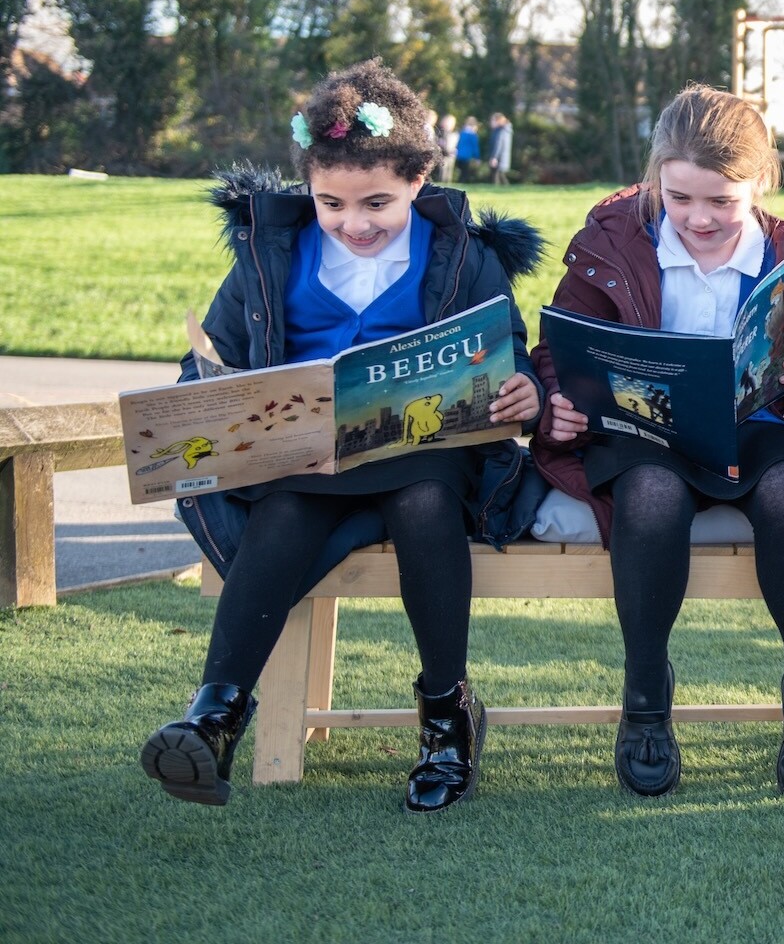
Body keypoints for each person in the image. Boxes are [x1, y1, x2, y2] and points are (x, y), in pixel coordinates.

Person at [140, 59, 545, 813]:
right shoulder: (272, 254)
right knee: (287, 512)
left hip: (428, 460)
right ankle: (217, 713)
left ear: (419, 180)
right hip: (301, 465)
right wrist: (204, 410)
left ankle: (446, 718)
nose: (354, 222)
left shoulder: (467, 256)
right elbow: (214, 360)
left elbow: (510, 356)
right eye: (331, 203)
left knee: (423, 504)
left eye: (377, 203)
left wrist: (525, 389)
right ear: (308, 189)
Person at [532, 84, 784, 799]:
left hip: (760, 428)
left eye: (721, 202)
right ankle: (646, 692)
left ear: (761, 185)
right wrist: (557, 404)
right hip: (643, 431)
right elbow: (557, 346)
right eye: (680, 199)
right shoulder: (614, 241)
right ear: (656, 180)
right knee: (649, 495)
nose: (699, 219)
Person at [487, 112, 513, 186]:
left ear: (498, 121)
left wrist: (494, 157)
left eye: (492, 121)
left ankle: (499, 190)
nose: (491, 123)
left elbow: (498, 145)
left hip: (500, 157)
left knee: (498, 175)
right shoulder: (505, 130)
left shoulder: (501, 131)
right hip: (501, 157)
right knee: (500, 175)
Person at [455, 115, 482, 181]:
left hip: (459, 155)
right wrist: (477, 157)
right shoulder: (472, 135)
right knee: (465, 173)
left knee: (461, 171)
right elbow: (475, 147)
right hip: (467, 156)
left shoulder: (461, 133)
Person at [434, 113, 458, 183]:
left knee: (449, 171)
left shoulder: (454, 132)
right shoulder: (440, 132)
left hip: (451, 154)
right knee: (442, 171)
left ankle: (447, 183)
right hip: (442, 154)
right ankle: (441, 183)